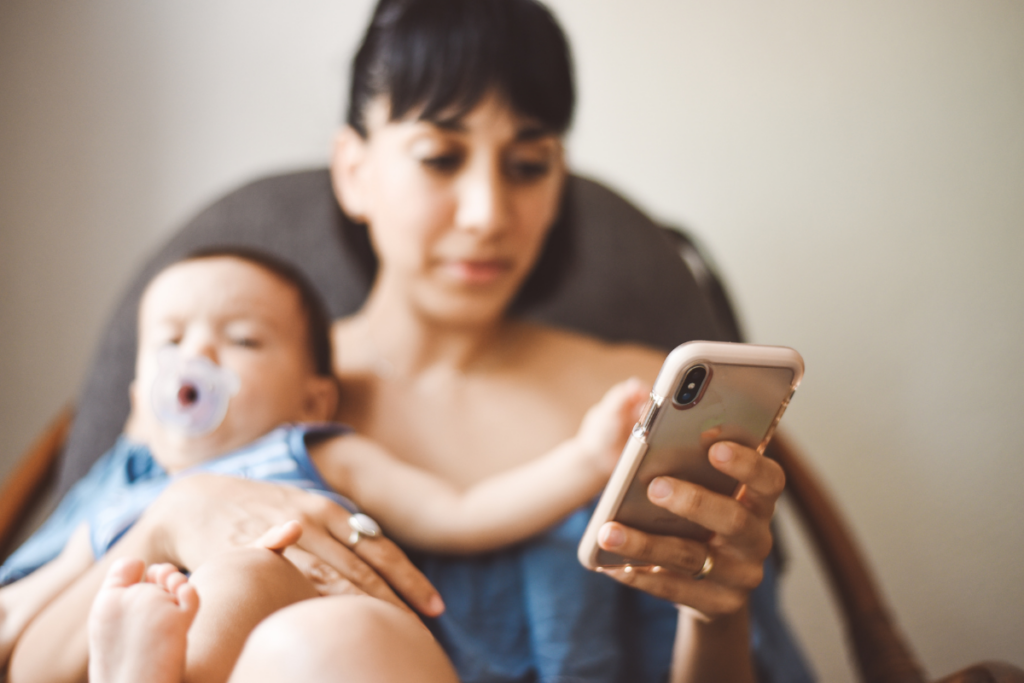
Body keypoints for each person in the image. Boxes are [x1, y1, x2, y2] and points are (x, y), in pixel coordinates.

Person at [12, 0, 814, 681]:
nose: (487, 213)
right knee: (312, 644)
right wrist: (171, 515)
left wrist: (720, 610)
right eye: (441, 156)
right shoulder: (240, 393)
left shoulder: (633, 404)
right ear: (354, 169)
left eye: (529, 166)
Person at [0, 249, 646, 682]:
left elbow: (462, 512)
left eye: (243, 339)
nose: (197, 352)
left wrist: (585, 458)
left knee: (251, 573)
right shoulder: (124, 496)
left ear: (314, 397)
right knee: (141, 594)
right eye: (171, 340)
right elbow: (27, 608)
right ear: (140, 403)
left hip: (319, 639)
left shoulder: (315, 450)